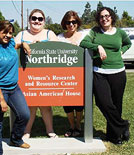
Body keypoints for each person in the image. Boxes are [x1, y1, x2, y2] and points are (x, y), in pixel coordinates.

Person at [80, 7, 132, 145]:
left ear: (112, 17)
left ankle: (114, 136)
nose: (104, 18)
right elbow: (83, 43)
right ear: (99, 19)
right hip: (100, 73)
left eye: (107, 16)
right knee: (103, 102)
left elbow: (128, 43)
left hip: (118, 73)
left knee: (116, 104)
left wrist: (121, 51)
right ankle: (123, 125)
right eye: (102, 16)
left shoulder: (120, 33)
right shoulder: (94, 32)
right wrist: (98, 46)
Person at [0, 20, 31, 154]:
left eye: (10, 33)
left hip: (14, 87)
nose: (8, 35)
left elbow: (17, 44)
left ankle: (16, 139)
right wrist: (1, 99)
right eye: (4, 32)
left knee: (24, 115)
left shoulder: (10, 44)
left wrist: (24, 44)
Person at [15, 9, 59, 139]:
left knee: (45, 105)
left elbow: (58, 49)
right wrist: (22, 44)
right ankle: (26, 131)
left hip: (45, 75)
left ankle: (50, 130)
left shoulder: (49, 34)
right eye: (34, 18)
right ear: (29, 20)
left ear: (44, 21)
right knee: (30, 105)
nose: (37, 21)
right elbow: (12, 46)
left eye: (40, 19)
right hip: (26, 75)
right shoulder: (22, 34)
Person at [58, 10, 84, 137]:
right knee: (67, 102)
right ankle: (71, 126)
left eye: (73, 22)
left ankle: (78, 126)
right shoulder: (60, 38)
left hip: (80, 74)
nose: (71, 24)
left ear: (77, 22)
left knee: (79, 103)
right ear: (65, 24)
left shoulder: (84, 36)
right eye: (68, 22)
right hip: (64, 75)